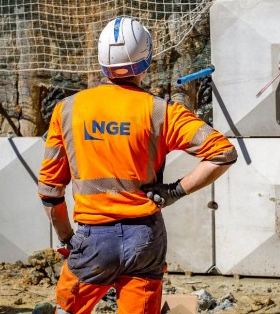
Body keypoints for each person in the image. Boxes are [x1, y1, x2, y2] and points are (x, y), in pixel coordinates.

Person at [37, 17, 237, 314]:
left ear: (102, 61)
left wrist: (68, 238)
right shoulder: (161, 111)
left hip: (93, 239)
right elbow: (224, 152)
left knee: (66, 309)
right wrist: (174, 191)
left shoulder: (67, 110)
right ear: (146, 61)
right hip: (145, 238)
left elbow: (50, 191)